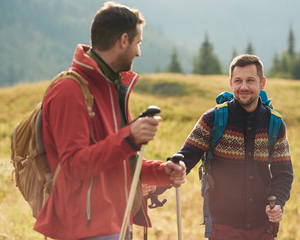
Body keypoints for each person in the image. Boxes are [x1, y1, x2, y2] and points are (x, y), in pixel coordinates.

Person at [33, 2, 186, 240]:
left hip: (116, 222)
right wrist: (130, 137)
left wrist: (162, 172)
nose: (138, 52)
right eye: (138, 43)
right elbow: (74, 166)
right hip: (85, 229)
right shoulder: (69, 90)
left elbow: (113, 160)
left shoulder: (109, 87)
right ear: (123, 40)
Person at [176, 54, 293, 240]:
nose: (243, 87)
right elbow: (185, 157)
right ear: (230, 83)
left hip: (263, 229)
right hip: (223, 228)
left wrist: (278, 203)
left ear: (262, 83)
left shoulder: (275, 124)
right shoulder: (212, 119)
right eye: (238, 81)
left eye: (250, 80)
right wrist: (156, 180)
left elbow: (284, 173)